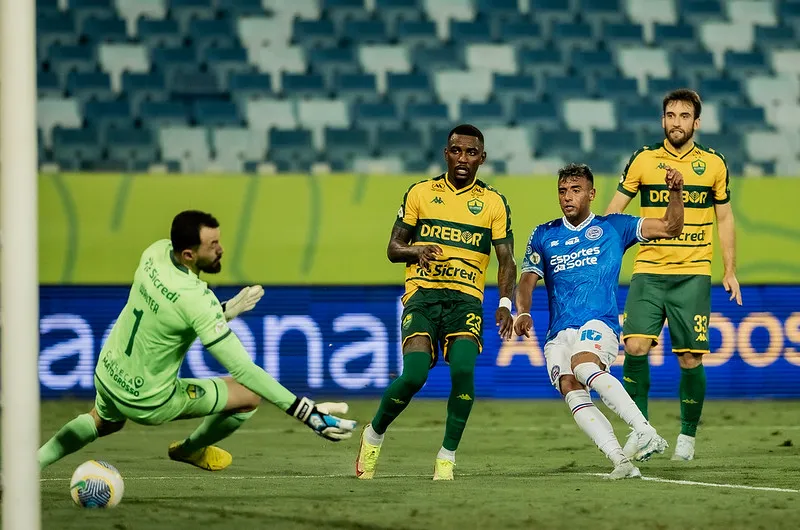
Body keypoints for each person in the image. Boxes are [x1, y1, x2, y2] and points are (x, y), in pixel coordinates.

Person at [38, 210, 356, 472]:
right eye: (212, 244)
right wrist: (307, 413)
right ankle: (192, 449)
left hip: (108, 373)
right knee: (247, 396)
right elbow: (244, 370)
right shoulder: (196, 299)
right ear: (189, 254)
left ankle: (30, 466)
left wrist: (226, 310)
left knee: (103, 421)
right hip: (149, 401)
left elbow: (172, 315)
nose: (220, 249)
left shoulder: (155, 253)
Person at [355, 124, 517, 481]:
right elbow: (393, 248)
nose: (463, 158)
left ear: (482, 158)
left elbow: (507, 260)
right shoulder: (420, 193)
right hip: (422, 296)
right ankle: (374, 433)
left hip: (466, 300)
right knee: (413, 375)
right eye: (456, 151)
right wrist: (416, 250)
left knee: (462, 370)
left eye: (471, 153)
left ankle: (447, 456)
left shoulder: (493, 202)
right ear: (446, 153)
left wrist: (506, 302)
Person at [514, 163, 685, 479]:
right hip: (558, 332)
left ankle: (643, 429)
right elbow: (526, 279)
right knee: (569, 385)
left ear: (591, 194)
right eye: (563, 191)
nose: (568, 197)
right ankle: (620, 461)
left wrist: (675, 192)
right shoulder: (543, 234)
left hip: (599, 321)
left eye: (576, 190)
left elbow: (670, 226)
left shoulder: (614, 227)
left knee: (583, 365)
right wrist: (522, 310)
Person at [605, 89, 741, 461]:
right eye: (670, 115)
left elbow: (724, 217)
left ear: (696, 123)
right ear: (662, 119)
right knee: (633, 347)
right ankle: (642, 430)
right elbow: (615, 213)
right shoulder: (644, 159)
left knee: (689, 359)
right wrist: (602, 256)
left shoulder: (714, 163)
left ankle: (687, 436)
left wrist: (729, 270)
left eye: (684, 116)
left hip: (693, 274)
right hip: (648, 271)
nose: (676, 122)